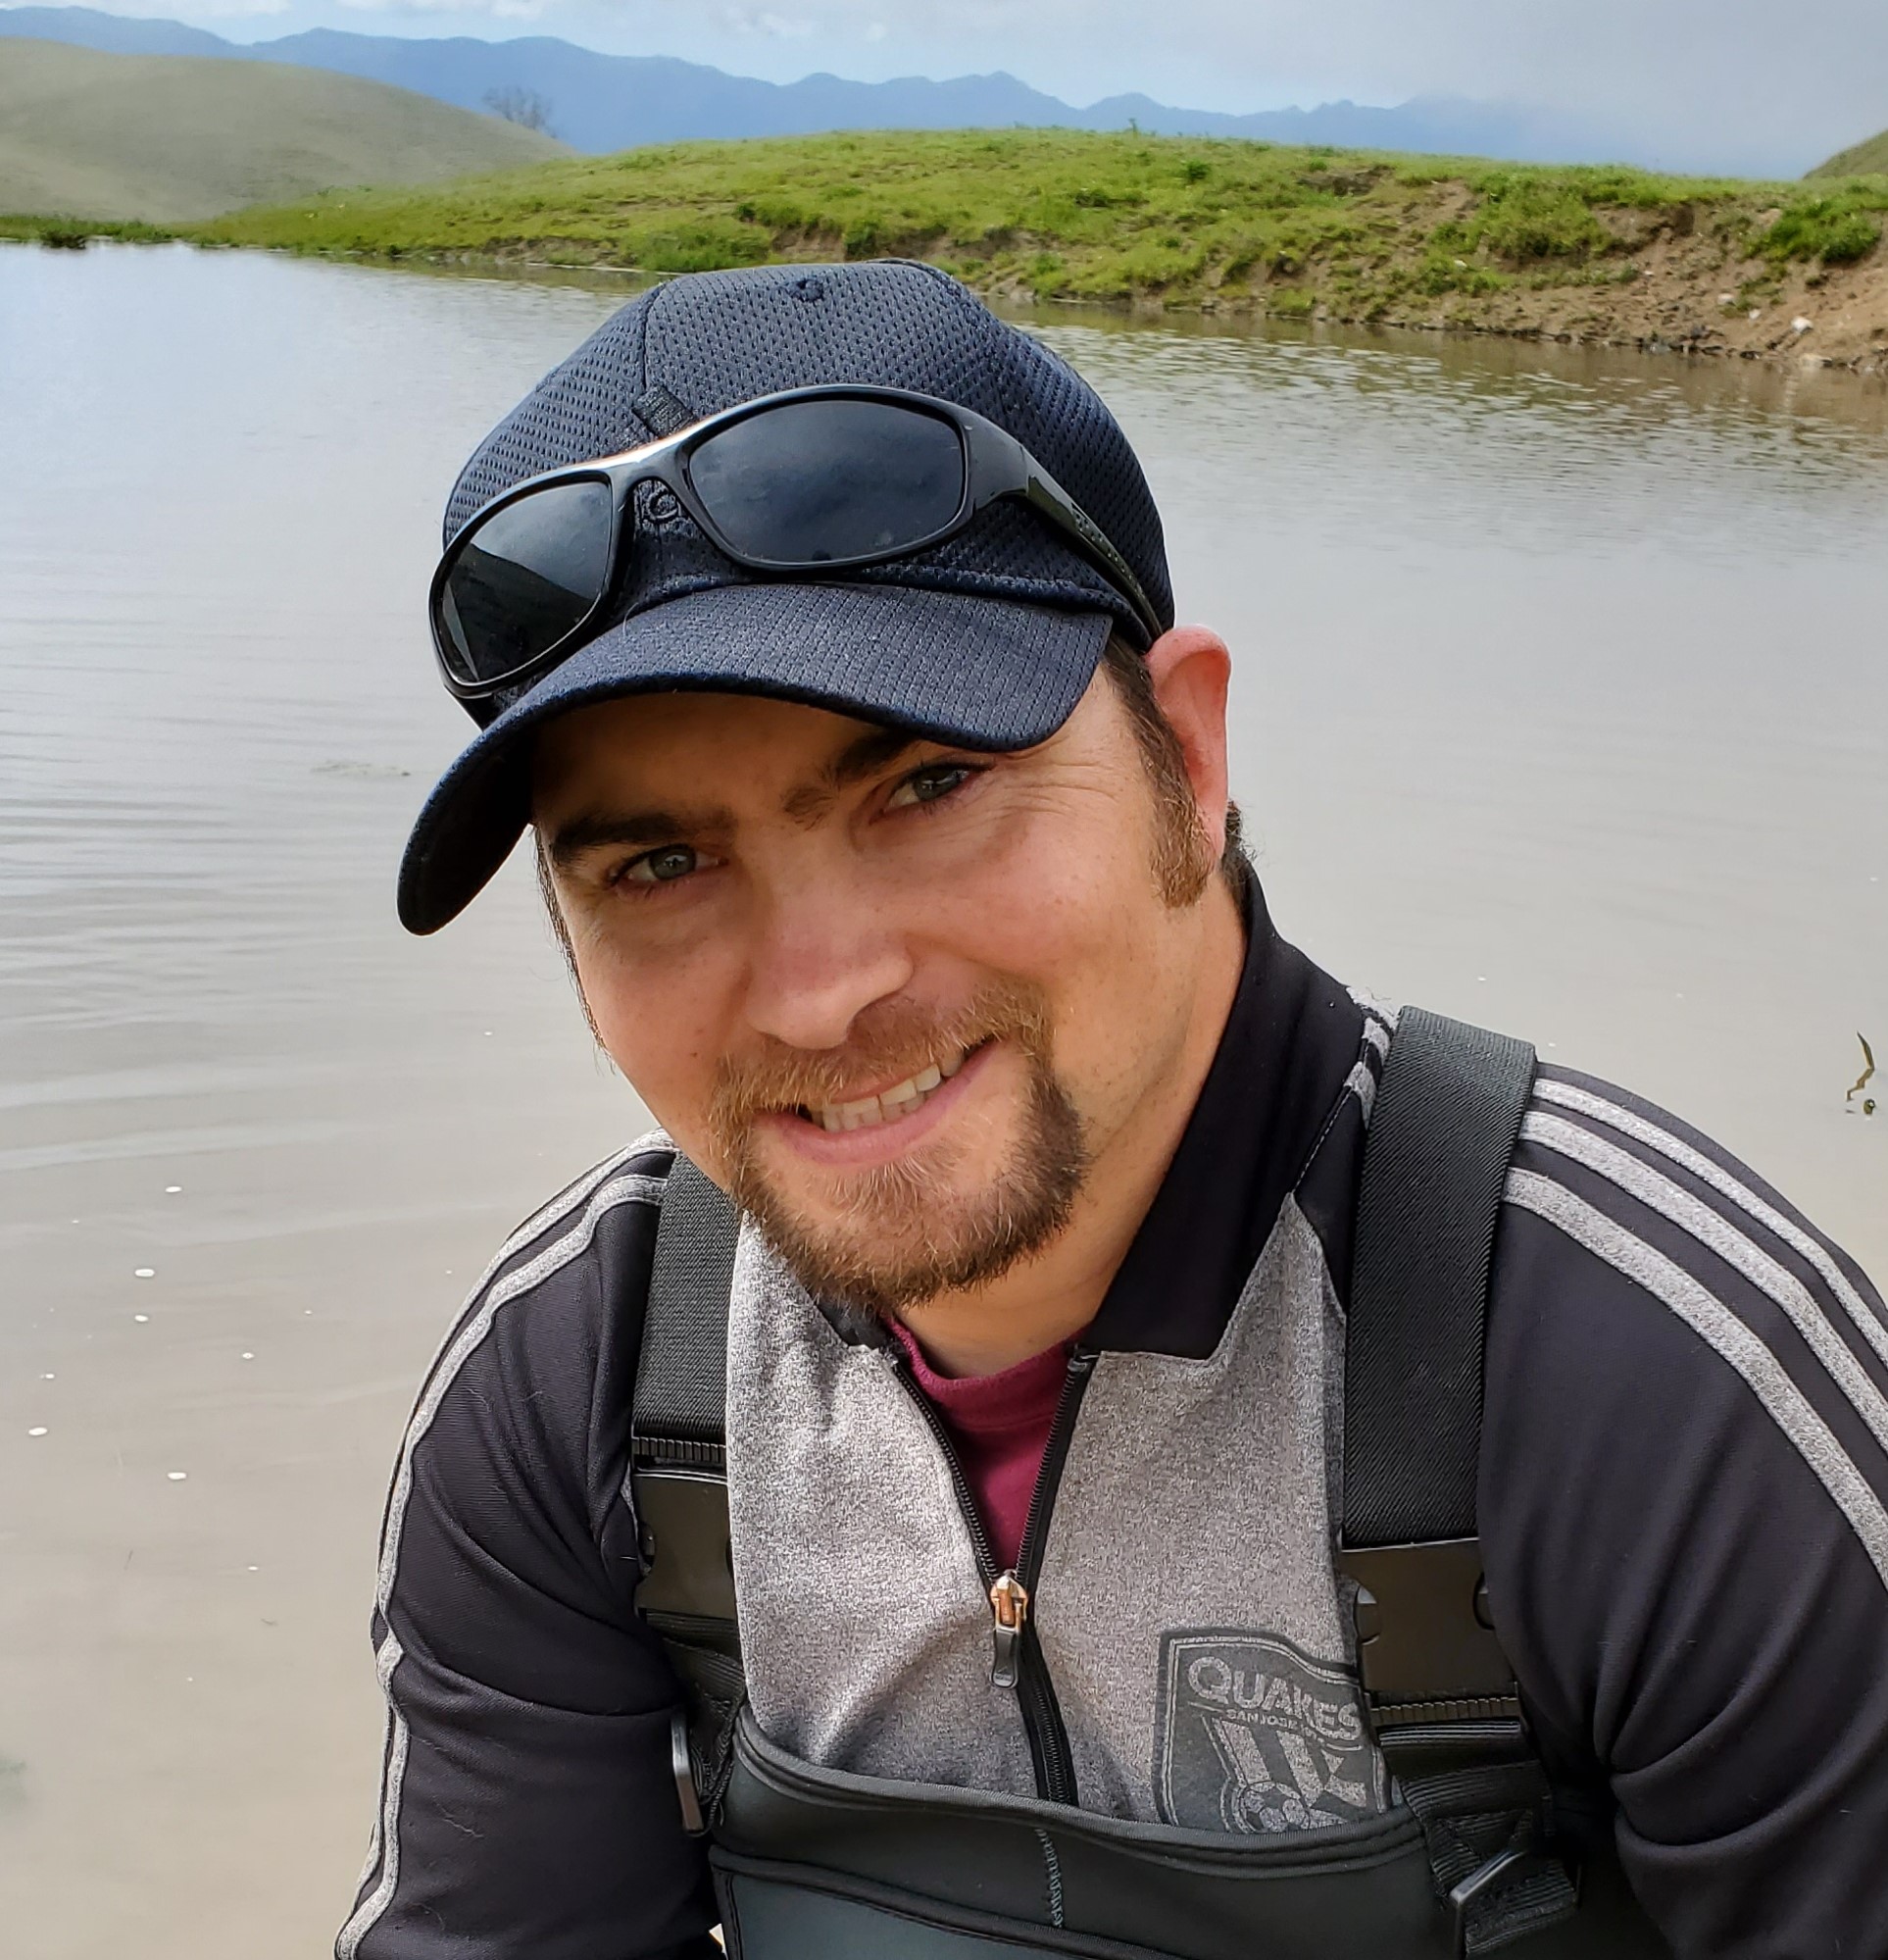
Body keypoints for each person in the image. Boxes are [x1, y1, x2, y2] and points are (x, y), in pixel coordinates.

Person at [338, 262, 1888, 1960]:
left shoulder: (1654, 1386)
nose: (817, 992)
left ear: (1188, 754)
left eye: (928, 782)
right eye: (656, 865)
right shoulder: (578, 1378)